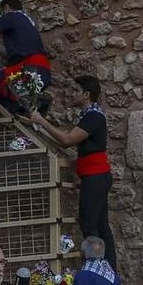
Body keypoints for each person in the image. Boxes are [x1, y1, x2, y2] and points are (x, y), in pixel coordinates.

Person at [41, 75, 115, 255]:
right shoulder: (90, 116)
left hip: (95, 176)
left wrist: (42, 121)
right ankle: (106, 269)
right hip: (95, 175)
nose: (71, 94)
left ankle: (97, 268)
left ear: (86, 95)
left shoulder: (93, 117)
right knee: (100, 225)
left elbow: (67, 140)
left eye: (76, 90)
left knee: (90, 224)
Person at [0, 0, 50, 113]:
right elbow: (8, 56)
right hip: (41, 72)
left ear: (6, 7)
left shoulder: (12, 16)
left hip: (29, 70)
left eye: (2, 13)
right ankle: (23, 109)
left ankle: (30, 105)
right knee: (11, 93)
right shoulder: (28, 21)